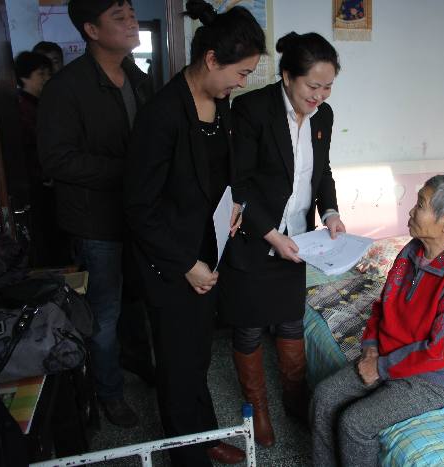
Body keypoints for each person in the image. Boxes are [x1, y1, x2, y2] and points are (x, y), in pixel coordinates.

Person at [124, 1, 266, 465]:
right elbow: (139, 208)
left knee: (197, 357)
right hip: (171, 262)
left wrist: (236, 203)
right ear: (211, 59)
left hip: (207, 252)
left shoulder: (219, 106)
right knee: (177, 364)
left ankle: (203, 436)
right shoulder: (162, 115)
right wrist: (186, 264)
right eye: (241, 72)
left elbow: (224, 172)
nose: (241, 83)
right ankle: (187, 456)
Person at [219, 31, 346, 448]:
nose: (320, 96)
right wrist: (271, 234)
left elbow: (322, 173)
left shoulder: (323, 116)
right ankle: (257, 409)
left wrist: (331, 213)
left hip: (297, 238)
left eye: (328, 87)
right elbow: (239, 183)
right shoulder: (252, 109)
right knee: (250, 328)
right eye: (313, 86)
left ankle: (294, 399)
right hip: (255, 236)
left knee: (291, 321)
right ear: (288, 76)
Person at [311, 175, 444, 466]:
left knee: (355, 423)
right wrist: (371, 349)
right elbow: (383, 306)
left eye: (420, 205)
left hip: (436, 376)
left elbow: (440, 352)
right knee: (324, 397)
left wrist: (380, 367)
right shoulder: (411, 251)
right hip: (388, 355)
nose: (411, 210)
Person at [38, 0, 152, 427]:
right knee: (104, 313)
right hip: (95, 223)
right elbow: (57, 160)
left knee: (137, 301)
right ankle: (109, 392)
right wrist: (128, 171)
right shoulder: (66, 88)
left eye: (131, 14)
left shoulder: (138, 78)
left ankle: (136, 362)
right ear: (91, 29)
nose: (131, 22)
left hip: (138, 216)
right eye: (119, 18)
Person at [14, 51, 69, 267]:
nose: (47, 78)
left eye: (48, 73)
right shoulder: (21, 108)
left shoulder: (43, 104)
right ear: (24, 77)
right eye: (41, 74)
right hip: (36, 185)